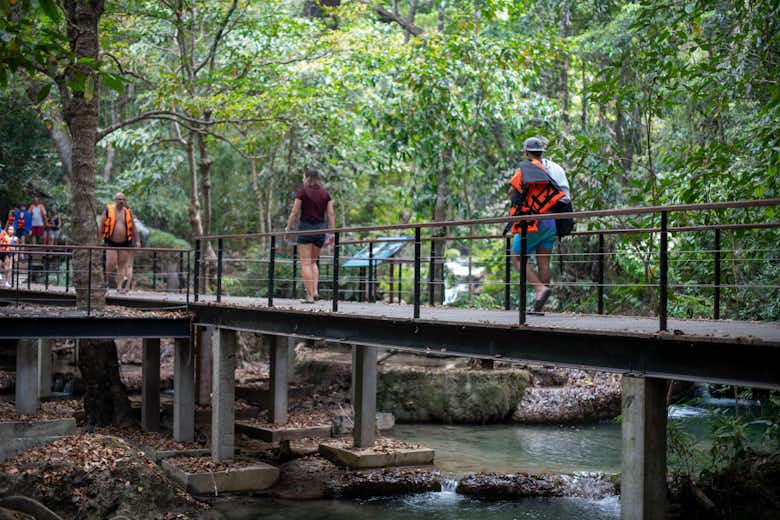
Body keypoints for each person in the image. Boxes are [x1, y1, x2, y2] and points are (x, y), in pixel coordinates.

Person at [507, 137, 570, 312]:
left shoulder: (524, 170)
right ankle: (539, 309)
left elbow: (512, 194)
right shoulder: (557, 168)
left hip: (532, 222)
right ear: (542, 152)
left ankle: (539, 289)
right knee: (544, 263)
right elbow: (564, 196)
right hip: (551, 221)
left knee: (517, 258)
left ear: (526, 152)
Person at [284, 168, 336, 303]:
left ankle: (310, 296)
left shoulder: (302, 192)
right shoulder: (325, 193)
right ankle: (315, 291)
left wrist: (288, 229)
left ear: (307, 178)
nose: (302, 179)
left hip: (305, 230)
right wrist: (332, 233)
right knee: (313, 261)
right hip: (320, 231)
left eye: (303, 177)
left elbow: (294, 213)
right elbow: (330, 214)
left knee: (306, 263)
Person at [99, 192, 139, 293]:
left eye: (123, 199)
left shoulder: (127, 212)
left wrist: (138, 240)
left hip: (125, 242)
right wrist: (98, 239)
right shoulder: (108, 210)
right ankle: (105, 281)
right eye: (119, 199)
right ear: (115, 200)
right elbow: (101, 225)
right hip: (111, 242)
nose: (121, 201)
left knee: (122, 265)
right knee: (110, 263)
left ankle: (119, 287)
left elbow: (133, 227)